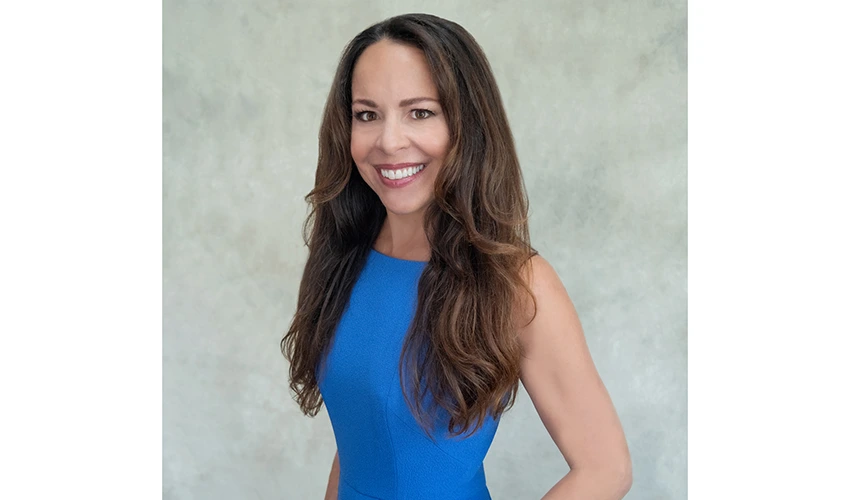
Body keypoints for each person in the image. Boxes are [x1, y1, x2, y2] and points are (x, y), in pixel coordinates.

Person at [281, 13, 632, 500]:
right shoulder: (342, 259)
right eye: (367, 114)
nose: (388, 141)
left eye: (420, 112)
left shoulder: (519, 282)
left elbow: (606, 469)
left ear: (467, 124)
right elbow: (361, 444)